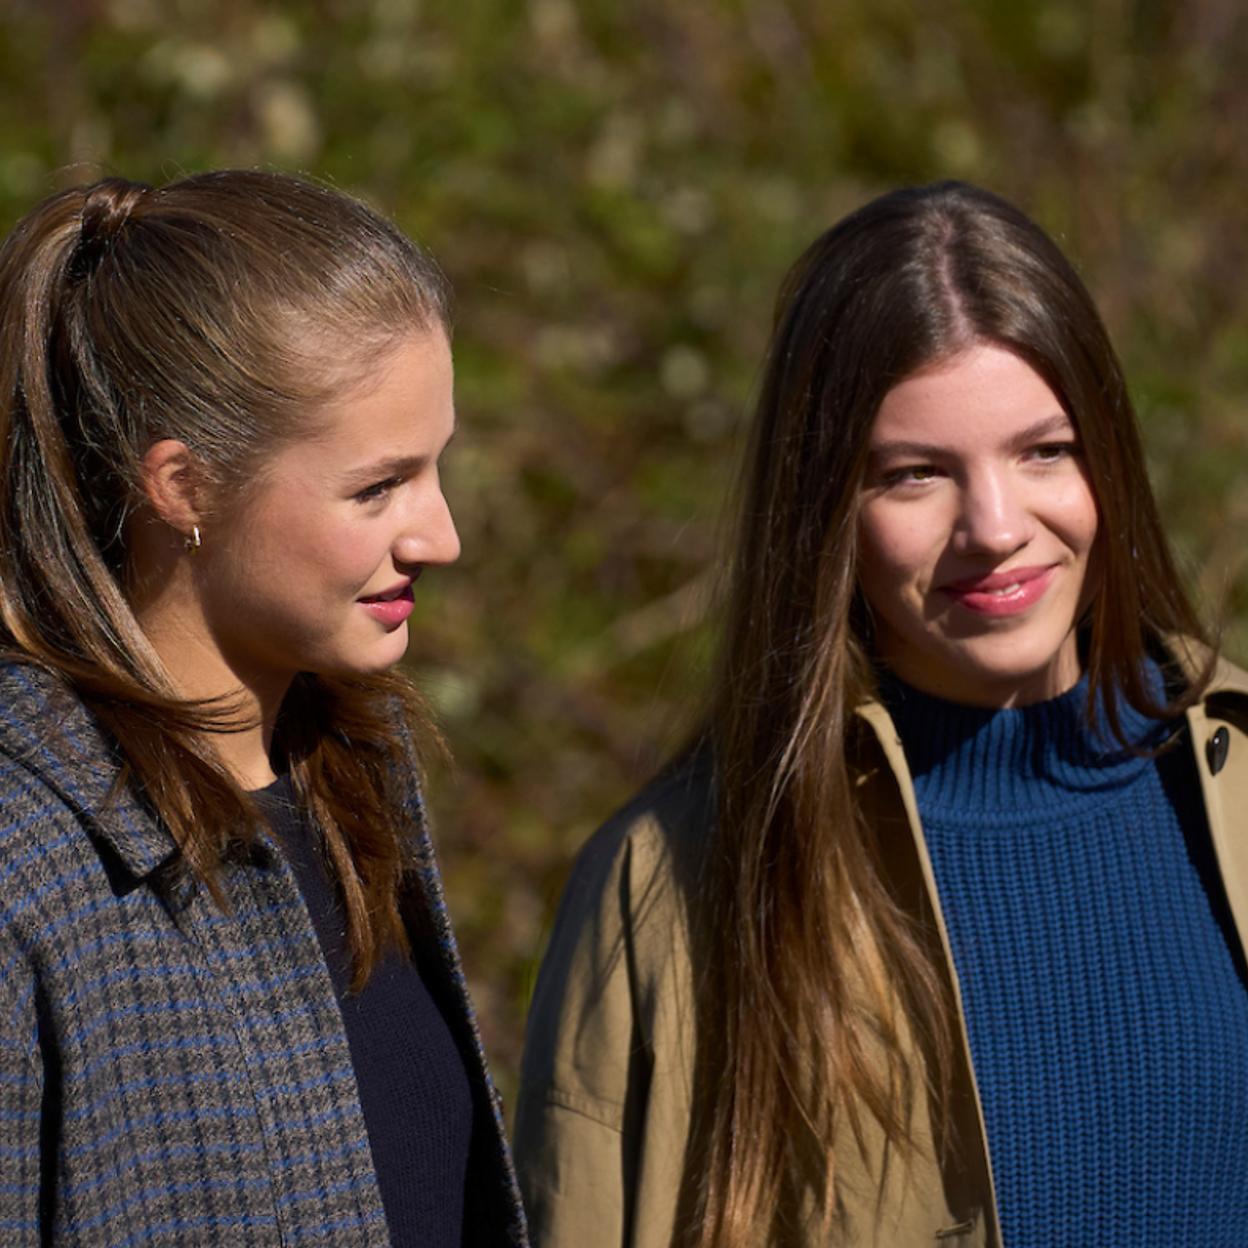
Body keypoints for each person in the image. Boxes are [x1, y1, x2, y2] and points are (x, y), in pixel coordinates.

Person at [514, 182, 1248, 1247]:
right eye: (914, 476)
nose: (996, 527)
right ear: (824, 517)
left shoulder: (1231, 786)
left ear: (1111, 462)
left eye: (1045, 450)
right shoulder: (672, 884)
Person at [0, 171, 527, 1246]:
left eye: (438, 469)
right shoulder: (31, 872)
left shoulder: (356, 787)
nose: (442, 536)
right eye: (377, 488)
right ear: (183, 487)